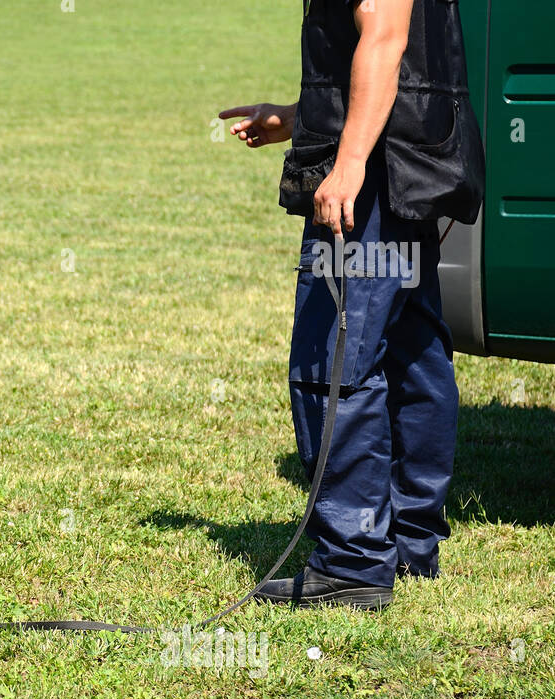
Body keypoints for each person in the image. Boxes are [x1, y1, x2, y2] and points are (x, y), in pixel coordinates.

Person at [219, 0, 484, 609]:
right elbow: (390, 55)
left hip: (375, 180)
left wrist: (348, 163)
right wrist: (295, 117)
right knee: (414, 356)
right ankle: (408, 541)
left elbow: (385, 38)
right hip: (407, 166)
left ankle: (353, 561)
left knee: (334, 361)